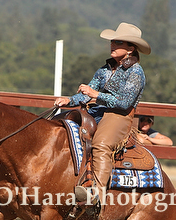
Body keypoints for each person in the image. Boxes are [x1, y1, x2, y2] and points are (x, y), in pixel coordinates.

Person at [54, 22, 151, 206]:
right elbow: (87, 94)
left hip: (119, 116)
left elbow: (124, 102)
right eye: (112, 41)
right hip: (96, 110)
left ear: (130, 49)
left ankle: (96, 194)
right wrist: (69, 100)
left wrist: (96, 95)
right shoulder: (104, 69)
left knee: (101, 144)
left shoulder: (136, 72)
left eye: (118, 42)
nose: (112, 45)